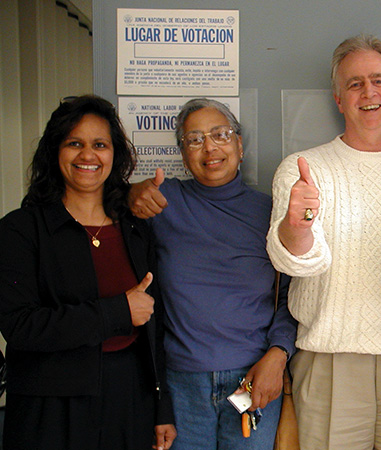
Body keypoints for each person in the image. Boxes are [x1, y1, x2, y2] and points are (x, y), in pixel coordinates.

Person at [266, 34, 381, 449]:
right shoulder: (304, 170)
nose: (368, 92)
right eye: (354, 84)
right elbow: (294, 263)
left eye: (379, 80)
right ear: (338, 98)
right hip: (330, 361)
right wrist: (296, 225)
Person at [0, 95, 176, 450]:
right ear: (55, 151)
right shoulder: (21, 230)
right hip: (49, 408)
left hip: (129, 399)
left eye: (100, 144)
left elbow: (154, 331)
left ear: (115, 155)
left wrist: (161, 407)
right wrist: (117, 312)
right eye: (74, 144)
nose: (88, 156)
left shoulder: (134, 228)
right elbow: (20, 327)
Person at [127, 98, 296, 450]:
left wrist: (278, 355)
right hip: (182, 385)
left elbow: (291, 298)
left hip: (254, 379)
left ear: (239, 145)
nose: (210, 147)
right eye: (195, 139)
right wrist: (129, 193)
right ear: (183, 154)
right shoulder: (163, 202)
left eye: (221, 134)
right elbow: (101, 203)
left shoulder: (269, 212)